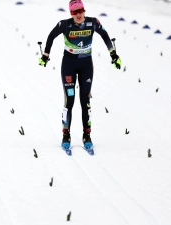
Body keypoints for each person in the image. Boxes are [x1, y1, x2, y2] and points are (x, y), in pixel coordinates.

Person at [38, 0, 122, 150]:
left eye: (80, 11)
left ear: (84, 10)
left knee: (85, 101)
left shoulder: (93, 23)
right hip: (69, 65)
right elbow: (51, 36)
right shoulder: (64, 24)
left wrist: (113, 55)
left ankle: (87, 135)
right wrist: (45, 55)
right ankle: (66, 134)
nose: (78, 14)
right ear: (70, 13)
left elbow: (105, 36)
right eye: (74, 12)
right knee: (69, 101)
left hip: (86, 66)